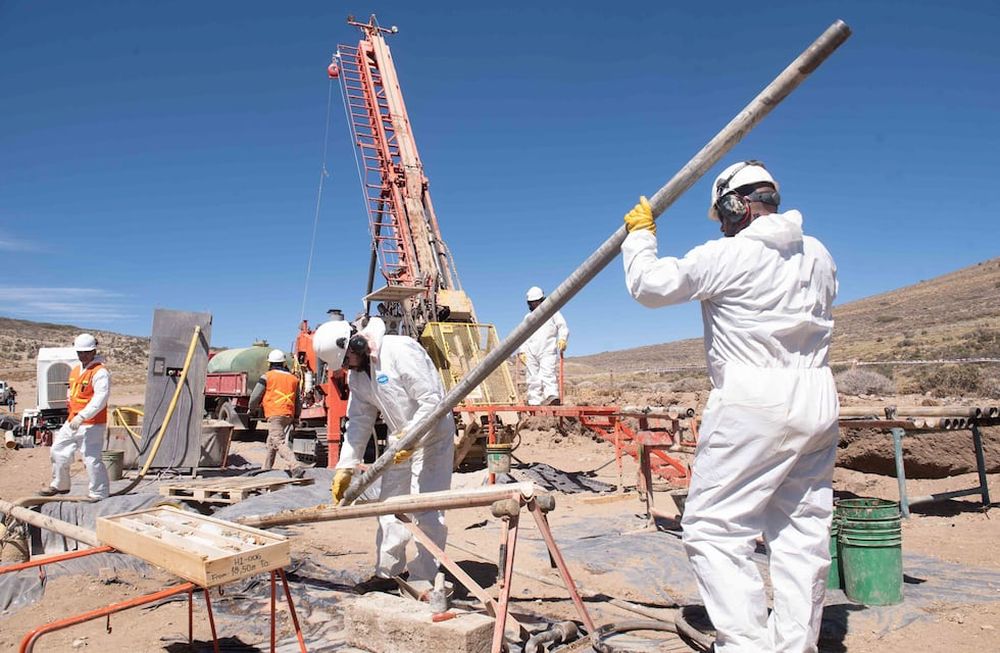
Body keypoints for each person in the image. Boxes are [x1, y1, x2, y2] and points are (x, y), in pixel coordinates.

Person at [621, 160, 839, 653]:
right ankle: (793, 646)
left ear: (735, 205)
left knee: (715, 529)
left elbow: (650, 287)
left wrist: (638, 236)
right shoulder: (820, 254)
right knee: (802, 531)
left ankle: (745, 646)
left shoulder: (729, 255)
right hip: (818, 395)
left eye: (721, 215)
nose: (720, 224)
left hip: (754, 398)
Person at [314, 317, 455, 591]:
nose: (346, 368)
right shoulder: (358, 376)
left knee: (426, 507)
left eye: (346, 361)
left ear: (355, 343)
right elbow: (358, 421)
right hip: (399, 441)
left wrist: (412, 436)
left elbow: (432, 401)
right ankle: (389, 573)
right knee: (390, 507)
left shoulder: (399, 350)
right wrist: (346, 465)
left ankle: (424, 577)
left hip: (432, 436)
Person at [39, 333, 112, 501]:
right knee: (58, 450)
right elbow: (72, 395)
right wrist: (73, 416)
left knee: (91, 458)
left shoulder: (100, 372)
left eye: (86, 352)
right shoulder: (76, 371)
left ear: (94, 351)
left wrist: (83, 416)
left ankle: (99, 492)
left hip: (92, 423)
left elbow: (100, 398)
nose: (83, 355)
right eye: (80, 352)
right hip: (73, 421)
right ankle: (61, 484)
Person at [248, 349, 301, 473]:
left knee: (278, 441)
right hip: (289, 414)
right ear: (283, 363)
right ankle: (266, 469)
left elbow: (255, 396)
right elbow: (298, 400)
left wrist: (251, 409)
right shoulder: (294, 379)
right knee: (271, 441)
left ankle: (294, 466)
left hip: (275, 413)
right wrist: (297, 416)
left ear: (270, 363)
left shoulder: (267, 376)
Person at [517, 286, 569, 405]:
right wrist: (522, 351)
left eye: (537, 302)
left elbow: (562, 326)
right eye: (532, 303)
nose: (535, 305)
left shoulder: (552, 313)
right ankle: (534, 400)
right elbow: (523, 335)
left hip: (547, 349)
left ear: (542, 300)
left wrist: (562, 339)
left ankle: (551, 396)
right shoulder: (528, 318)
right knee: (532, 377)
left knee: (547, 373)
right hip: (530, 351)